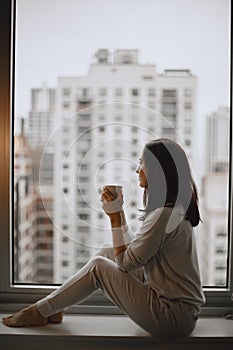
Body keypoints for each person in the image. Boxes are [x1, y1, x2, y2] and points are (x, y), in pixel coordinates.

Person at [2, 138, 205, 338]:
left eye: (142, 163)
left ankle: (40, 311)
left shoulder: (164, 215)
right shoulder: (172, 210)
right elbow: (135, 255)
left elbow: (125, 263)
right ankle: (54, 308)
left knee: (99, 266)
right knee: (107, 251)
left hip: (172, 317)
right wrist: (120, 214)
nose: (137, 169)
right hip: (181, 313)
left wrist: (115, 217)